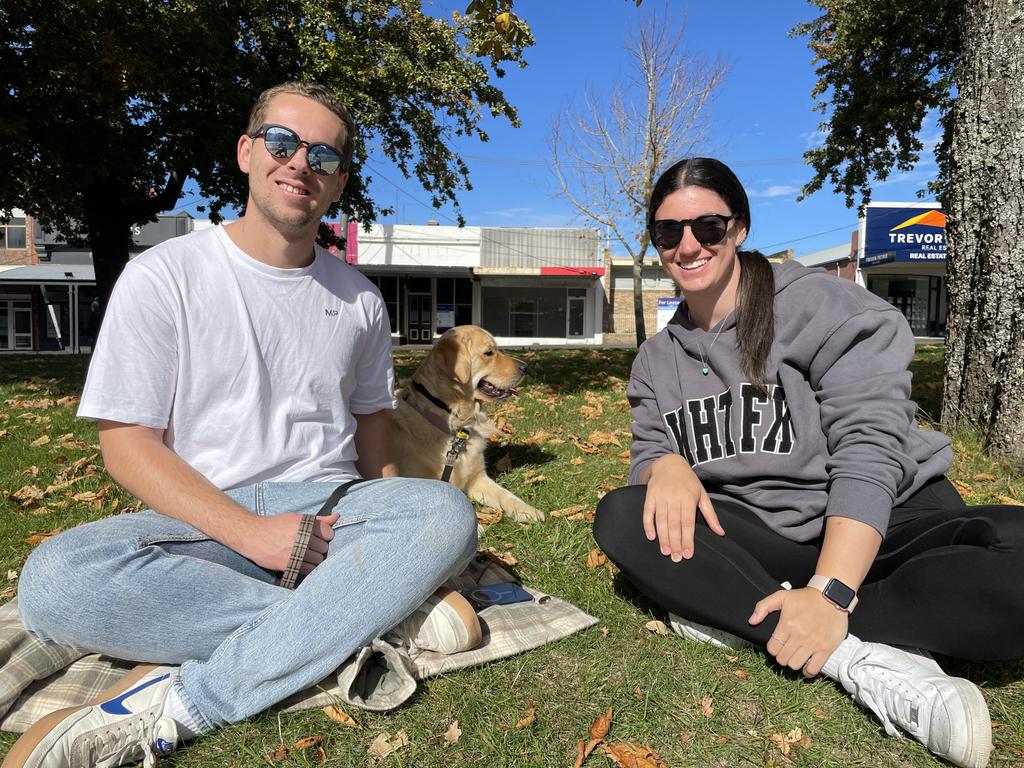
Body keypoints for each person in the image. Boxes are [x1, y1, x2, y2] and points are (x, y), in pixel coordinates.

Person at [5, 82, 479, 768]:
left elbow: (373, 429)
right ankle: (370, 618)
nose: (300, 164)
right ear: (247, 152)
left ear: (339, 181)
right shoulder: (162, 276)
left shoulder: (361, 300)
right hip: (200, 521)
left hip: (332, 518)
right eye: (283, 143)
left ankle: (181, 705)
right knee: (56, 579)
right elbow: (126, 446)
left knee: (443, 514)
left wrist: (393, 515)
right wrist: (252, 534)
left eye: (323, 154)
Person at [593, 157, 1024, 768]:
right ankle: (858, 660)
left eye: (707, 228)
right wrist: (661, 465)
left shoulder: (824, 306)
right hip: (765, 532)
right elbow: (649, 446)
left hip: (884, 522)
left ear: (738, 229)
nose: (687, 246)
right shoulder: (656, 361)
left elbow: (870, 448)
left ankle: (750, 609)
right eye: (668, 233)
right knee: (622, 517)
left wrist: (831, 591)